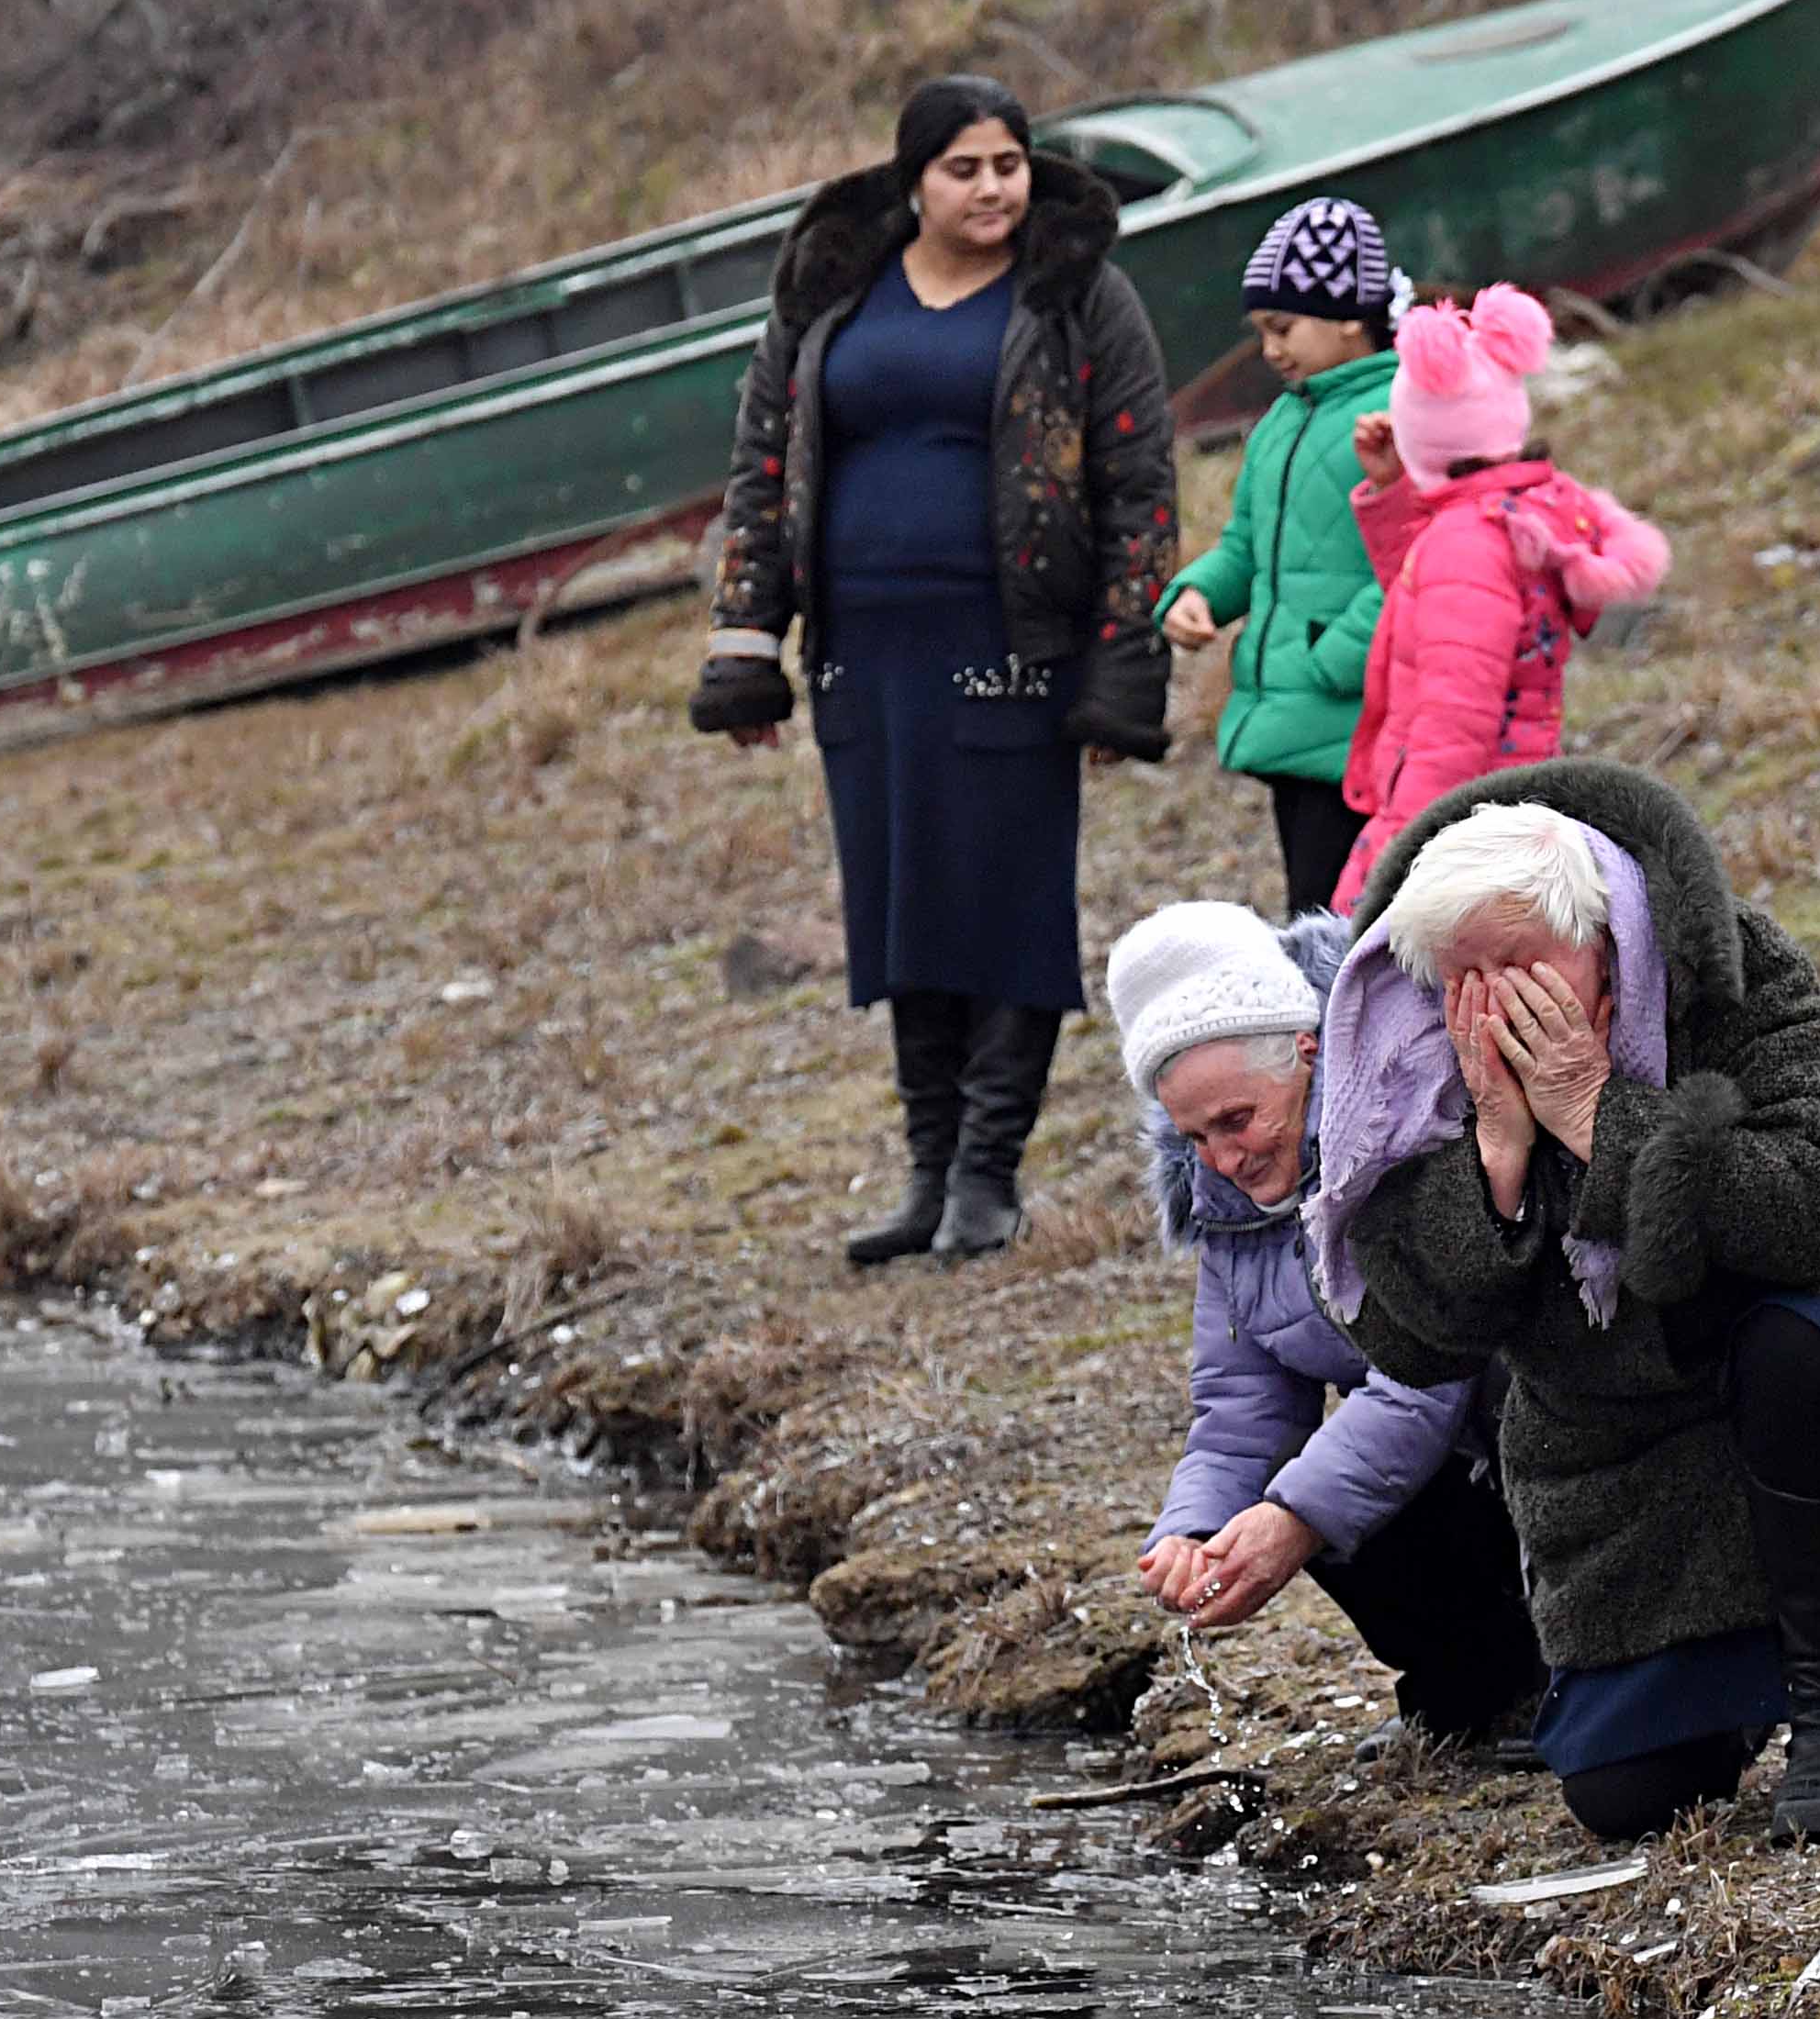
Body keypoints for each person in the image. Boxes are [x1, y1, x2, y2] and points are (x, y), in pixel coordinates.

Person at [1304, 770, 1820, 1845]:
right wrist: (1496, 1161)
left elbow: (1811, 1215)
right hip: (1628, 1418)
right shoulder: (1412, 1054)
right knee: (1628, 1795)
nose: (1498, 1001)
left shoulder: (1727, 972)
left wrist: (1601, 1115)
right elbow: (1410, 1338)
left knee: (1803, 1343)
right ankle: (1736, 1674)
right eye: (1468, 975)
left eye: (1524, 965)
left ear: (1600, 941)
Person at [690, 76, 1179, 1266]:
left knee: (1005, 893)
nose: (994, 188)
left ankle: (989, 1175)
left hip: (1015, 648)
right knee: (902, 897)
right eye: (965, 168)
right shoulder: (832, 289)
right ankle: (925, 1168)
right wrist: (747, 644)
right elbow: (764, 462)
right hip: (866, 652)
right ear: (914, 179)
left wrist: (1123, 664)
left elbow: (1139, 480)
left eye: (1009, 164)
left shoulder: (1076, 294)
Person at [1109, 900, 1545, 1752]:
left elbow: (1426, 1376)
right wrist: (1190, 1534)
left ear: (1306, 1051)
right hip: (1452, 1461)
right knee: (1292, 1479)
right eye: (1195, 1137)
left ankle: (1561, 1669)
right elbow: (1240, 1411)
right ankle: (1470, 1688)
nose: (1226, 1158)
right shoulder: (1230, 1205)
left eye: (1238, 1120)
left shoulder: (1403, 1131)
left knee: (1316, 1492)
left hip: (1533, 1428)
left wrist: (1293, 1519)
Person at [1329, 286, 1668, 909]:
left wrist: (1397, 853)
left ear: (1420, 437)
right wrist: (1394, 491)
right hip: (1510, 795)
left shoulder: (1466, 544)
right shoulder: (1515, 515)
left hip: (1463, 828)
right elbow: (1429, 604)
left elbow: (1453, 721)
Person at [1157, 198, 1403, 920]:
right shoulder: (1282, 422)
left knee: (1358, 915)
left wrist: (1337, 657)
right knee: (1312, 908)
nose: (1269, 348)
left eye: (1283, 327)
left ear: (1351, 317)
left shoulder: (1402, 411)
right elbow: (1247, 544)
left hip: (1359, 721)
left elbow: (1420, 555)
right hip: (1295, 722)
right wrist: (1199, 591)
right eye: (1260, 330)